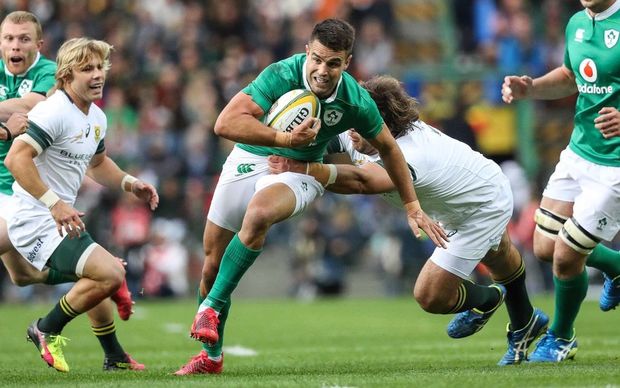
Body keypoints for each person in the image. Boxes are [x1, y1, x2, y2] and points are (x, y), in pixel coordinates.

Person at [174, 18, 447, 375]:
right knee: (211, 260)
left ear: (347, 62)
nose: (322, 70)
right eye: (317, 59)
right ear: (307, 51)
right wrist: (283, 140)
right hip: (250, 155)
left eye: (333, 63)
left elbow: (391, 150)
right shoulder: (281, 73)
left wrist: (412, 206)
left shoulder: (355, 100)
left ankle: (210, 307)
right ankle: (210, 358)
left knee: (258, 214)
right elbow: (224, 123)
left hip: (302, 171)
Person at [268, 75, 549, 365]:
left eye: (358, 125)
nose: (350, 133)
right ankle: (526, 323)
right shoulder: (365, 132)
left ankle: (488, 300)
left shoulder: (411, 154)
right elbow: (331, 142)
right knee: (500, 258)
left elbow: (363, 182)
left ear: (383, 125)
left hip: (482, 205)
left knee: (430, 295)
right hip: (460, 193)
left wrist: (302, 167)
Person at [0, 37, 159, 372]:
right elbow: (16, 158)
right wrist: (55, 204)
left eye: (100, 67)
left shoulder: (95, 116)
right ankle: (45, 329)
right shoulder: (53, 111)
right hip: (35, 218)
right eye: (87, 69)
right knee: (108, 273)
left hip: (58, 218)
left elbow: (98, 164)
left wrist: (131, 183)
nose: (97, 74)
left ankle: (114, 357)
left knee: (99, 274)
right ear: (67, 75)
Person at [501, 0, 620, 362]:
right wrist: (530, 88)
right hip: (579, 152)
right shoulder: (576, 24)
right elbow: (571, 76)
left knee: (568, 256)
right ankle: (616, 267)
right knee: (544, 247)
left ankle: (561, 337)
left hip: (615, 166)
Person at [0, 11, 134, 318]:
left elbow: (31, 105)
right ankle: (106, 272)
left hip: (16, 189)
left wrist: (128, 182)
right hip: (24, 187)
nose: (15, 46)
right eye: (8, 39)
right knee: (22, 276)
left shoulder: (52, 75)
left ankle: (104, 277)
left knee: (94, 271)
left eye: (24, 39)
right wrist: (6, 128)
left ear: (39, 44)